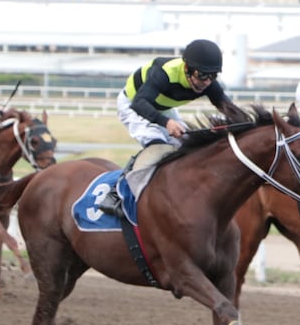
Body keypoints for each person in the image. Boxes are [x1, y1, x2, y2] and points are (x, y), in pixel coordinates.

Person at [100, 38, 244, 213]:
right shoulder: (163, 73)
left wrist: (249, 123)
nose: (207, 81)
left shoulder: (207, 82)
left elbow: (228, 108)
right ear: (186, 68)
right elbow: (139, 103)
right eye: (202, 75)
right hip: (133, 104)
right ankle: (116, 192)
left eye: (213, 75)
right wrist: (166, 122)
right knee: (157, 146)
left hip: (163, 107)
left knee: (186, 146)